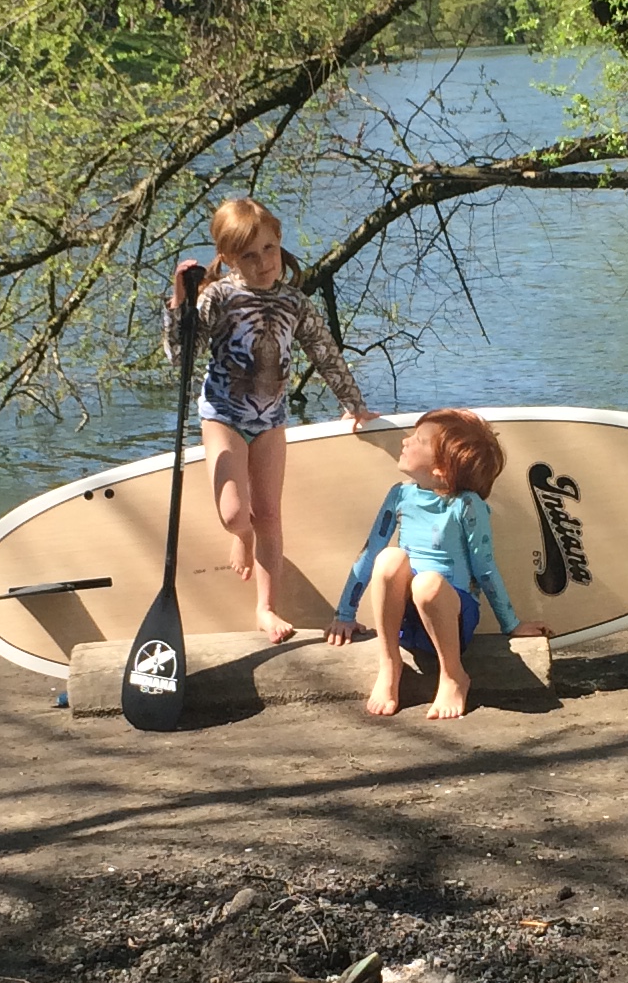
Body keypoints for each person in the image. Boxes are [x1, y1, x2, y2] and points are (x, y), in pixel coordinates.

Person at [167, 198, 370, 642]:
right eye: (250, 255)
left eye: (270, 249)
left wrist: (353, 403)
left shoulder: (293, 301)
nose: (263, 263)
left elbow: (323, 351)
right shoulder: (217, 296)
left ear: (280, 244)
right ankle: (240, 535)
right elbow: (181, 356)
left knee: (271, 515)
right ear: (228, 258)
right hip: (224, 414)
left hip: (272, 418)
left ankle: (266, 607)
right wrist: (180, 305)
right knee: (237, 513)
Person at [326, 409, 540, 720]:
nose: (405, 441)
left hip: (451, 618)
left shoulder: (467, 505)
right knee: (390, 558)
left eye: (418, 440)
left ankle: (453, 675)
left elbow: (485, 568)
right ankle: (390, 665)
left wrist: (512, 625)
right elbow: (370, 552)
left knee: (427, 583)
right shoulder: (400, 495)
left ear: (440, 467)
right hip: (407, 622)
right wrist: (344, 614)